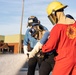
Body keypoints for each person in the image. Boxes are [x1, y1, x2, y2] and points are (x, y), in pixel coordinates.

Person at [41, 1, 76, 75]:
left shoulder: (57, 28)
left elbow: (50, 46)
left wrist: (42, 48)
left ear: (54, 13)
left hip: (64, 59)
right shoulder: (75, 24)